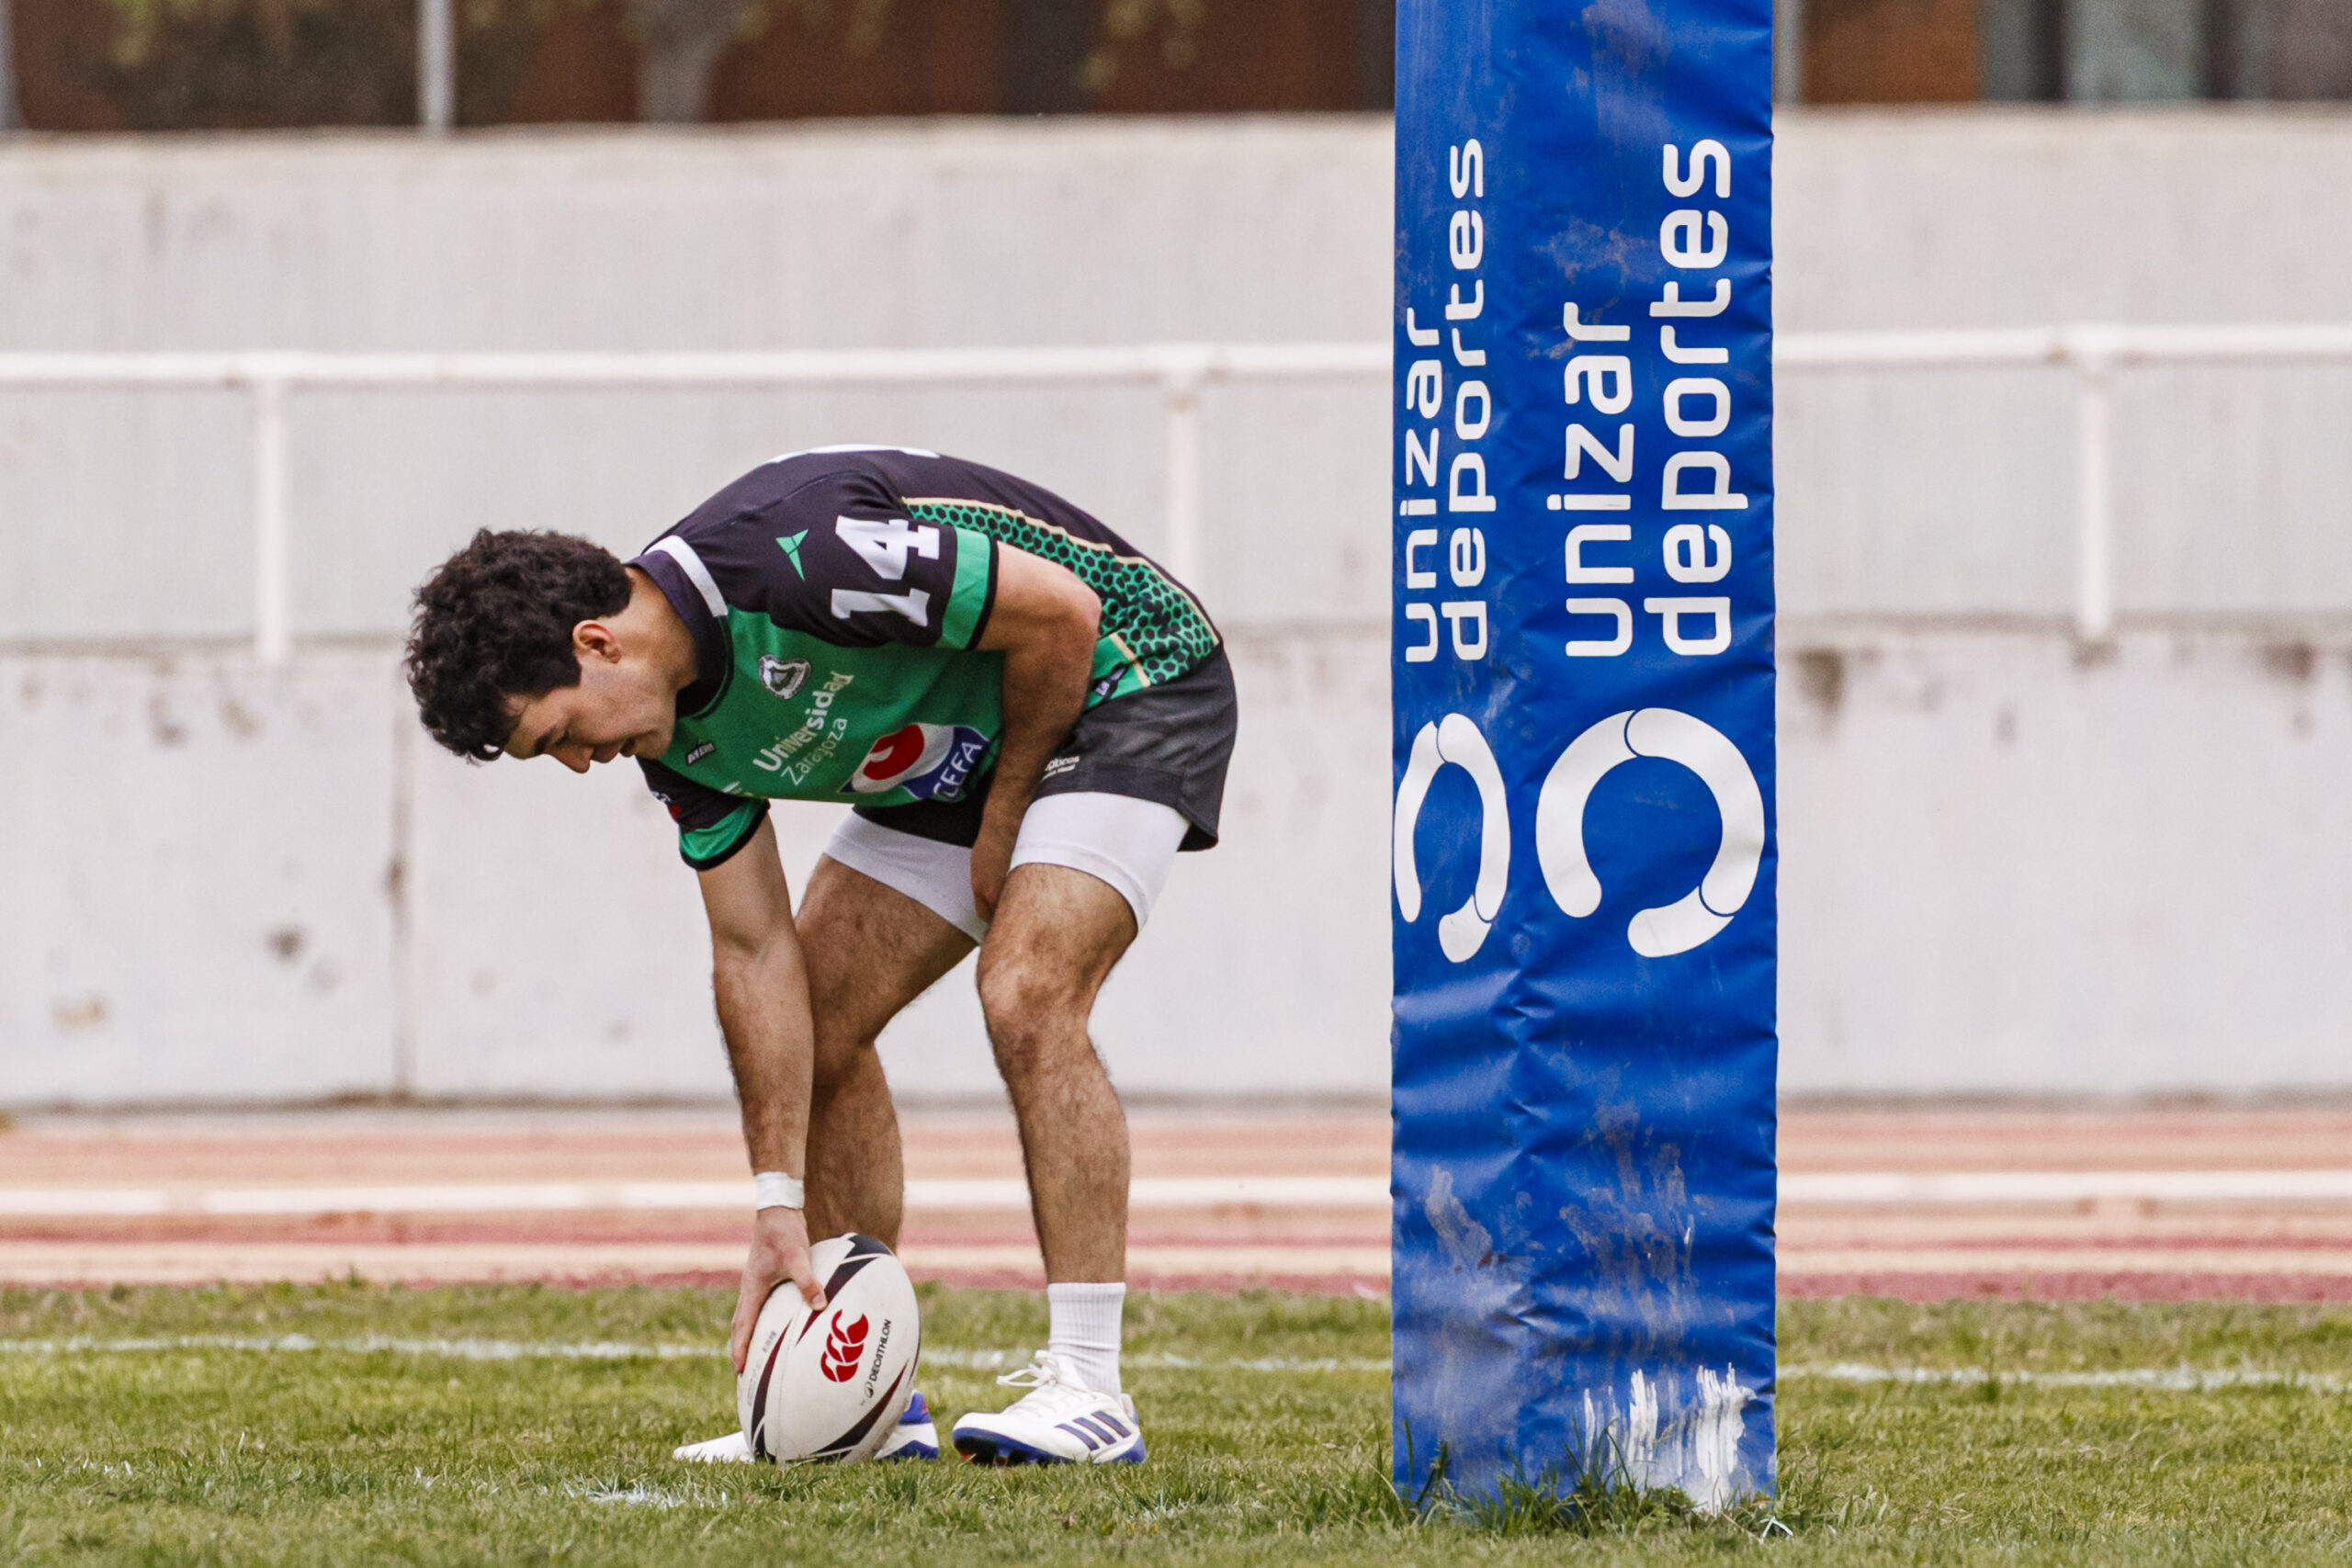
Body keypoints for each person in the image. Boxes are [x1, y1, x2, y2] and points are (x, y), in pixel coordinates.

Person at [403, 446, 1235, 1466]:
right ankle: (868, 1401)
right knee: (822, 1019)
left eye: (559, 734)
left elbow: (1061, 615)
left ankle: (1090, 1390)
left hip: (1124, 674)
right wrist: (774, 1205)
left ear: (596, 645)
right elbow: (754, 953)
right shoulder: (671, 737)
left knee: (1025, 990)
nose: (581, 763)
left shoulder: (798, 562)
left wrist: (1007, 813)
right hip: (958, 750)